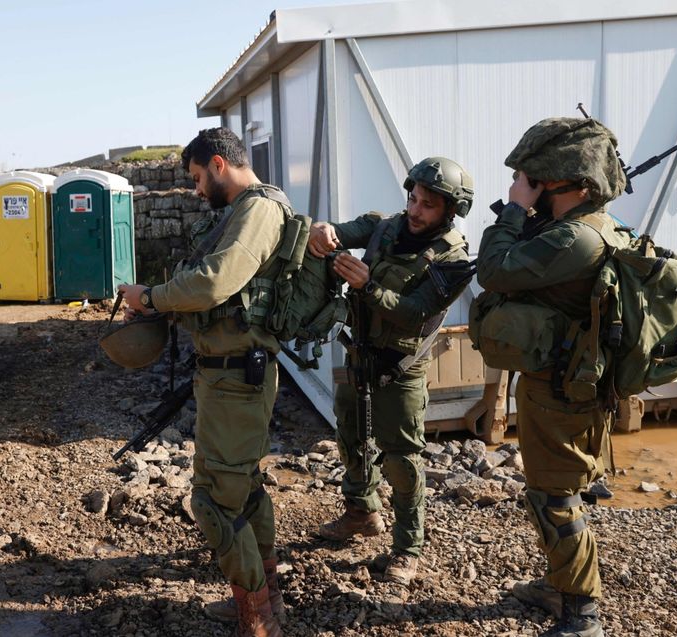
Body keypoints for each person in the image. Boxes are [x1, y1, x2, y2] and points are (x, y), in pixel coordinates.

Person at [118, 127, 287, 637]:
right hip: (226, 376)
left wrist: (150, 298)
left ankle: (256, 618)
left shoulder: (258, 210)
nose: (195, 191)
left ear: (219, 164)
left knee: (213, 502)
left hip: (239, 378)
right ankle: (266, 600)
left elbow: (216, 280)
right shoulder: (241, 212)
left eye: (196, 178)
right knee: (244, 491)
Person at [474, 117, 628, 637]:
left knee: (556, 499)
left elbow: (493, 271)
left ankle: (582, 615)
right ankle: (560, 584)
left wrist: (516, 210)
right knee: (551, 491)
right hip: (559, 382)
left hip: (564, 392)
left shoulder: (575, 238)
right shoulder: (574, 230)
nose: (527, 187)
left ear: (575, 187)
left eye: (537, 181)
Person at [309, 157, 473, 586]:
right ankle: (362, 511)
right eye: (413, 199)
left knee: (402, 459)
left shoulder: (453, 259)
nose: (416, 211)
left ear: (449, 212)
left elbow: (417, 312)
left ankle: (407, 548)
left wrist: (368, 286)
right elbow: (337, 233)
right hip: (359, 353)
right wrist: (323, 231)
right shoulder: (383, 226)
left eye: (428, 205)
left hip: (400, 368)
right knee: (350, 432)